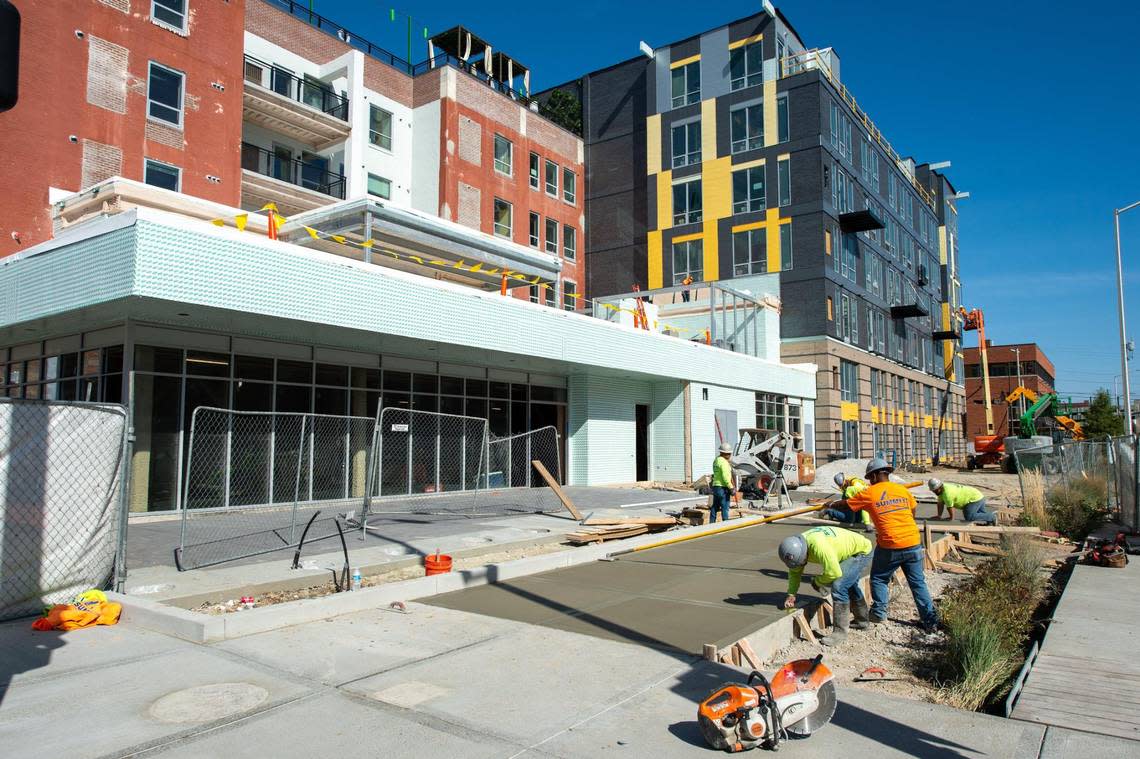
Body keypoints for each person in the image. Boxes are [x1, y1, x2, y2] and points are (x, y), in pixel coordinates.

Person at [835, 458, 940, 632]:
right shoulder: (902, 490)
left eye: (870, 477)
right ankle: (931, 622)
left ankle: (879, 613)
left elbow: (846, 505)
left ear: (875, 475)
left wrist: (828, 505)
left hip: (890, 544)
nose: (869, 481)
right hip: (913, 542)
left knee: (879, 578)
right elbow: (913, 510)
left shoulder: (870, 493)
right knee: (918, 583)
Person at [778, 525, 874, 646]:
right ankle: (862, 621)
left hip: (861, 551)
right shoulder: (798, 549)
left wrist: (817, 582)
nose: (801, 565)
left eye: (802, 561)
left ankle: (839, 634)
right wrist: (791, 594)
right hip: (843, 551)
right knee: (849, 583)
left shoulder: (819, 546)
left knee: (839, 586)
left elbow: (834, 572)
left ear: (804, 553)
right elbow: (795, 572)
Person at [928, 478, 996, 525]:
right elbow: (940, 504)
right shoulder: (941, 491)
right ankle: (990, 521)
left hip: (974, 499)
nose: (934, 492)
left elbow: (950, 507)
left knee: (969, 516)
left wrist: (951, 518)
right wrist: (939, 516)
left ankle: (993, 517)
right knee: (981, 514)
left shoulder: (947, 494)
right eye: (933, 490)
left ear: (939, 487)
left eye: (935, 490)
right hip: (977, 495)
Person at [710, 442, 735, 523]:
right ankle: (725, 523)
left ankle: (711, 523)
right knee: (725, 506)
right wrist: (731, 487)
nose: (730, 455)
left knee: (715, 506)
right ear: (725, 453)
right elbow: (725, 477)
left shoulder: (716, 460)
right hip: (723, 487)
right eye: (729, 454)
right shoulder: (724, 462)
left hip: (716, 486)